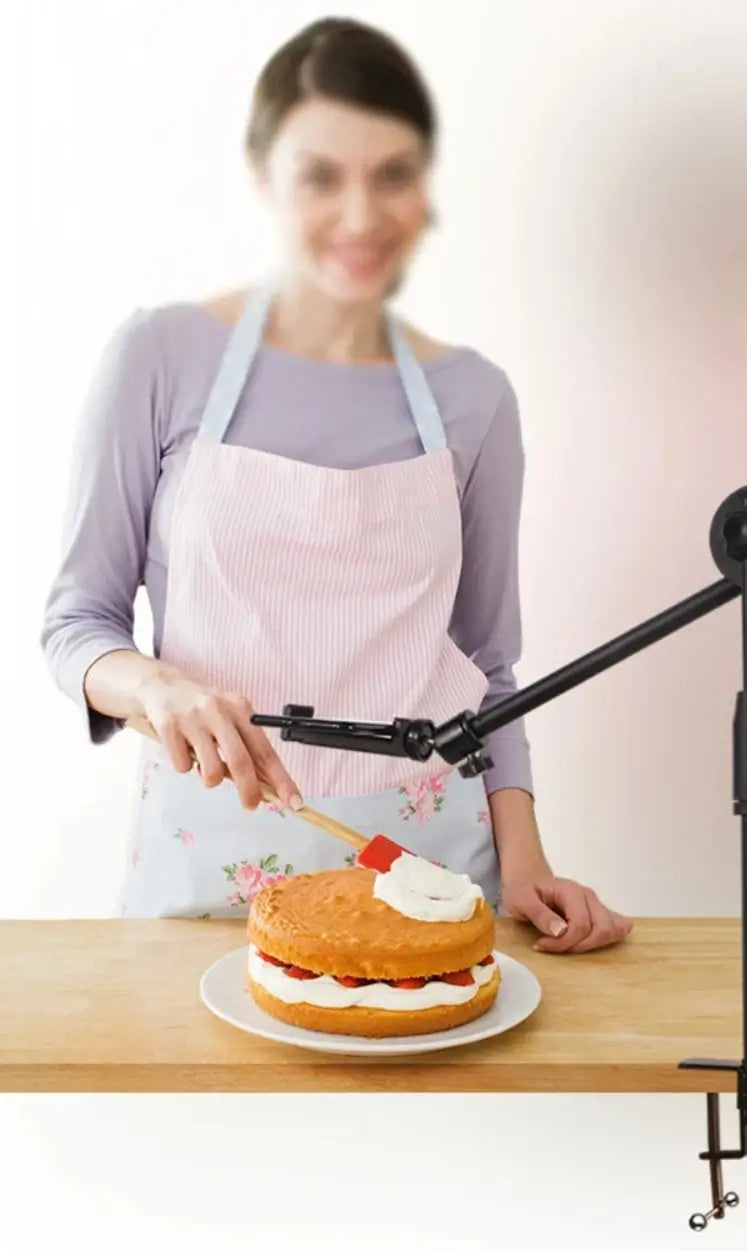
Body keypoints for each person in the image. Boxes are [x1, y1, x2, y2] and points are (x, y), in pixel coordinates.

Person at [41, 17, 632, 955]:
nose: (361, 216)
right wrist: (157, 686)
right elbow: (77, 626)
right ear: (263, 175)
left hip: (429, 872)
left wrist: (525, 861)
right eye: (321, 175)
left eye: (392, 174)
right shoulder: (160, 357)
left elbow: (489, 666)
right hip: (205, 871)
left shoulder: (474, 399)